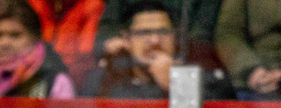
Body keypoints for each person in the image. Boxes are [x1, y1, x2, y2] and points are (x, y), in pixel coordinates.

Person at [79, 0, 240, 108]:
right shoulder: (102, 80)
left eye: (163, 32)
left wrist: (178, 86)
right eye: (144, 33)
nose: (155, 40)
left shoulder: (202, 78)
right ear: (126, 39)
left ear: (175, 38)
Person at [96, 0, 224, 68]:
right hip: (130, 62)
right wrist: (112, 41)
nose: (154, 40)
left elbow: (202, 33)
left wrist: (178, 71)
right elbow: (108, 25)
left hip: (184, 58)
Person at [26, 0, 106, 87]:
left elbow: (86, 51)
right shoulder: (35, 3)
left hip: (71, 78)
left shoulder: (91, 4)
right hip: (34, 72)